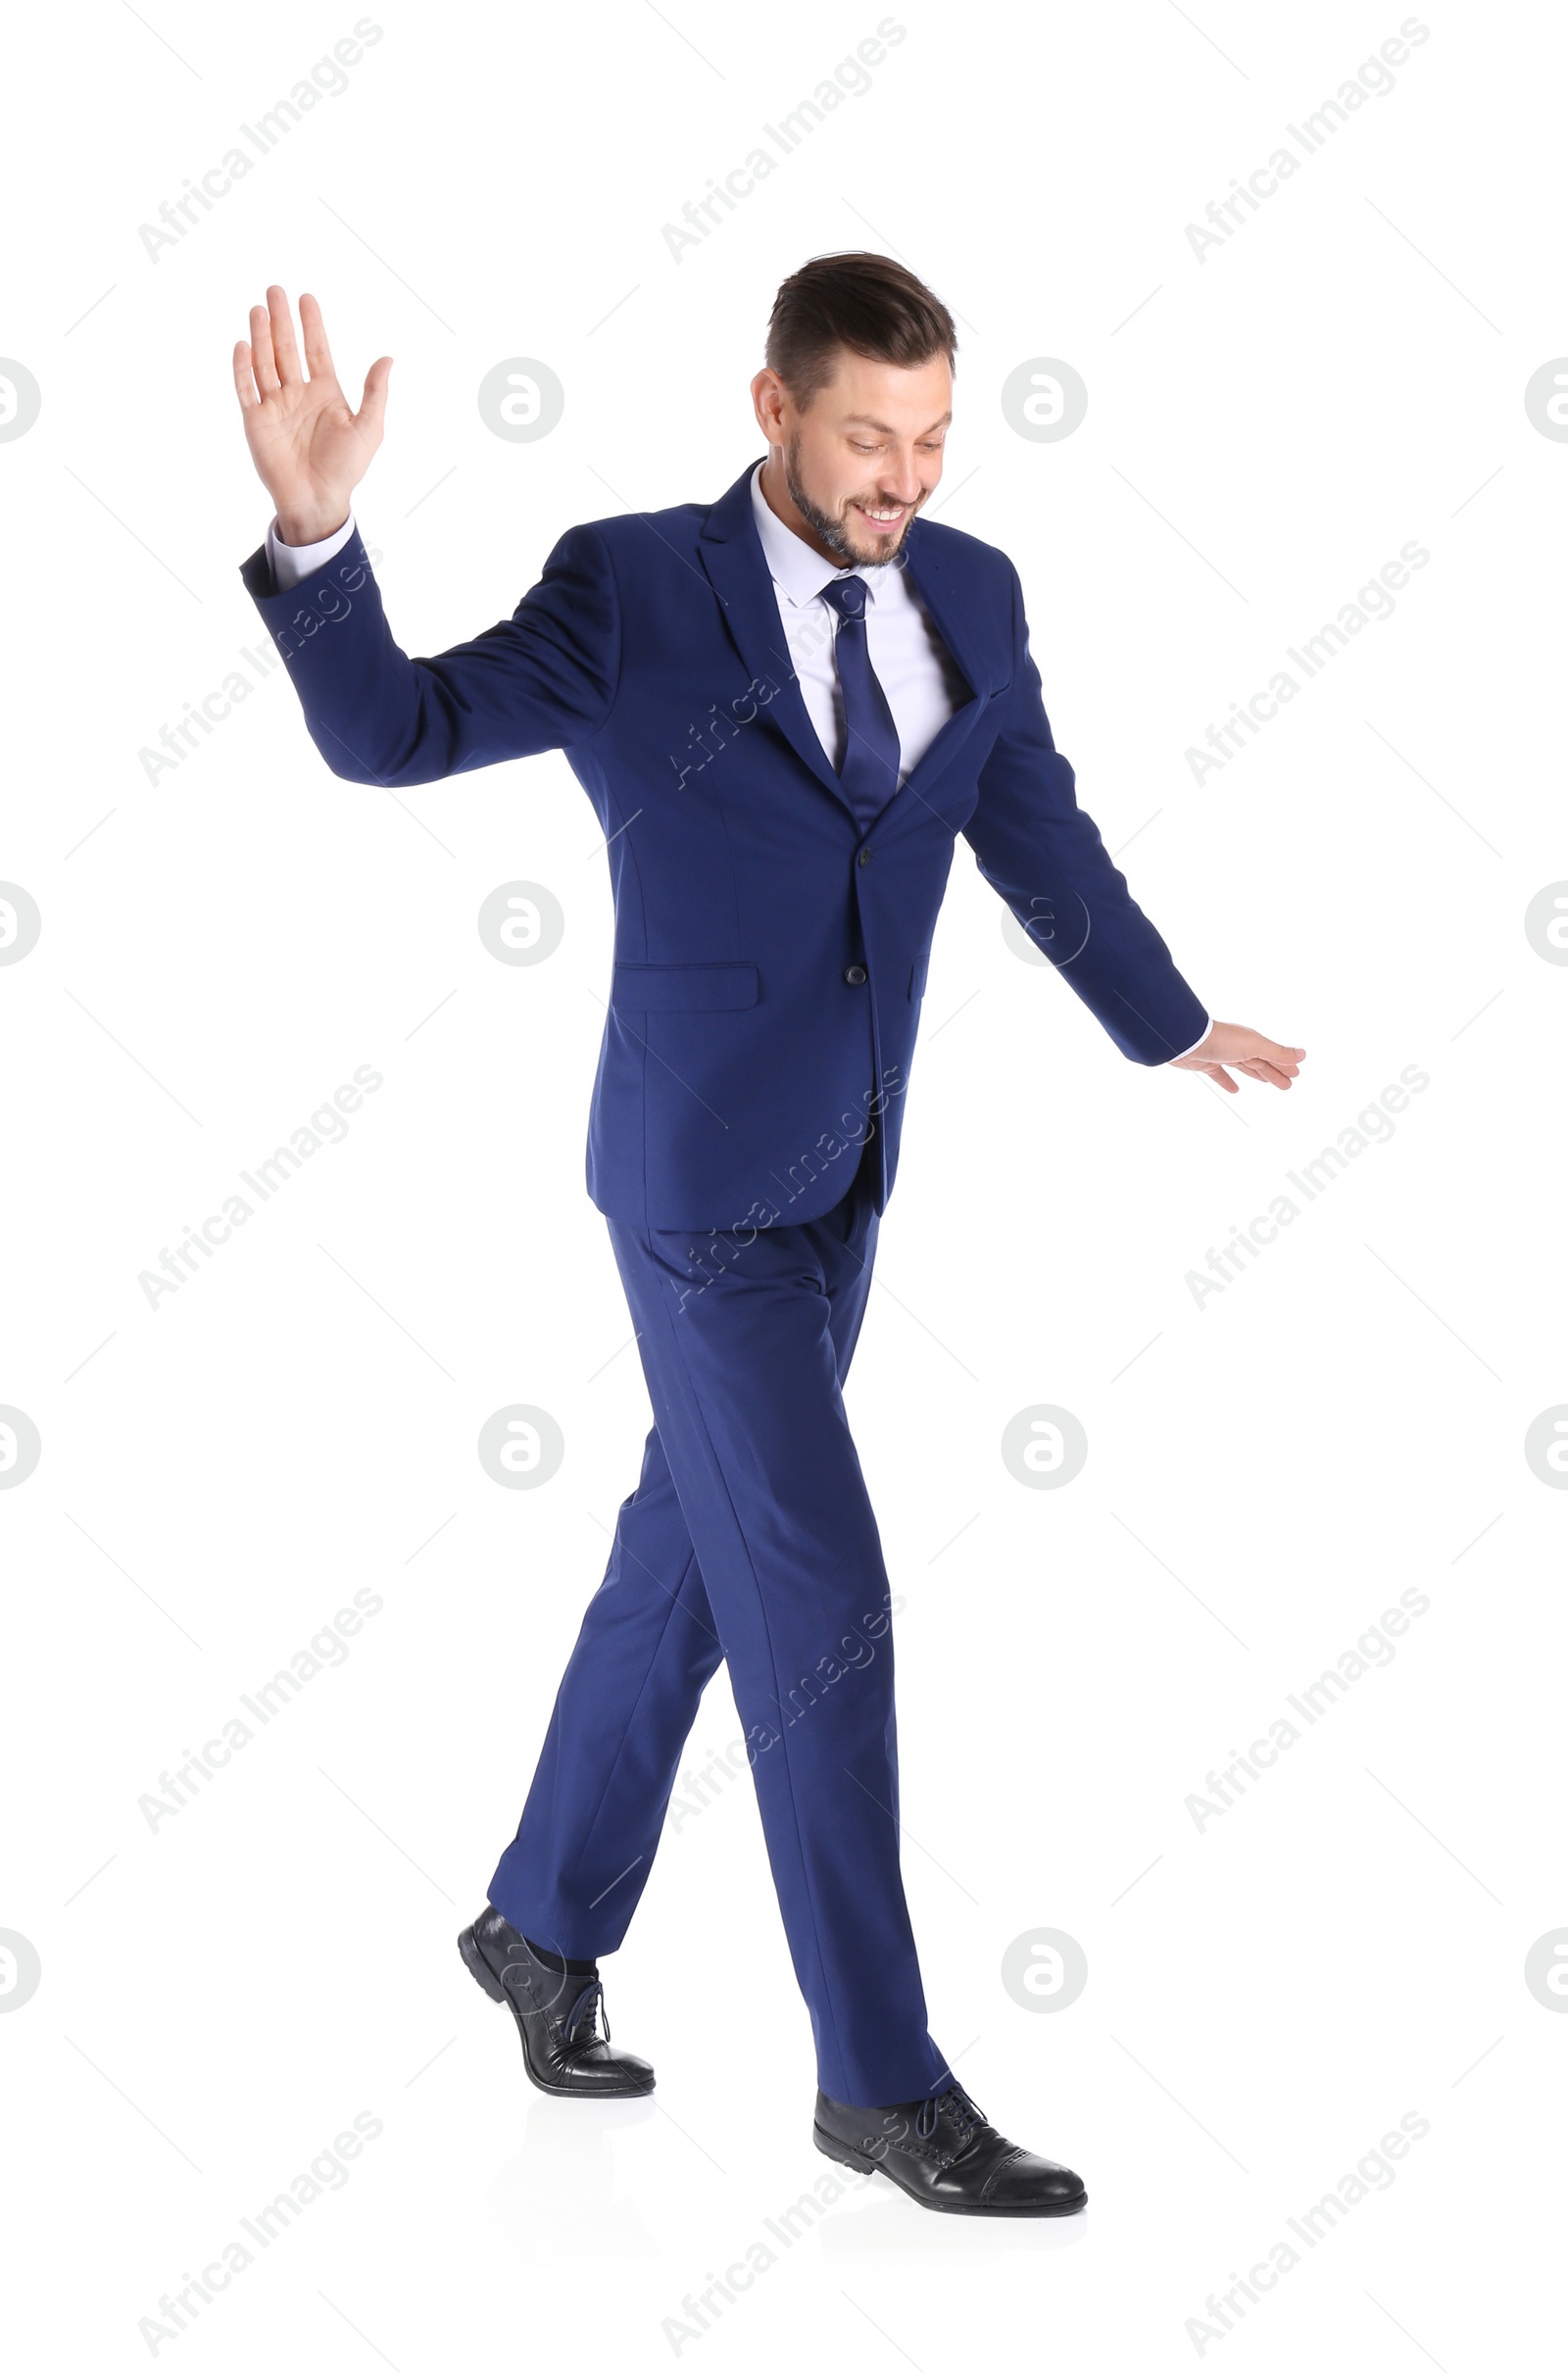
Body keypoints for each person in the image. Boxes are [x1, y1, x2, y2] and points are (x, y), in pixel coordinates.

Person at [232, 253, 1303, 2216]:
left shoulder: (967, 592)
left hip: (849, 1175)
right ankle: (878, 2078)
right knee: (822, 1603)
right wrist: (321, 536)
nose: (898, 477)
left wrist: (1162, 1016)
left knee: (694, 1561)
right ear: (772, 410)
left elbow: (1029, 823)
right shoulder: (641, 585)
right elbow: (398, 732)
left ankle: (538, 1922)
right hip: (691, 1185)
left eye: (927, 439)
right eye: (863, 438)